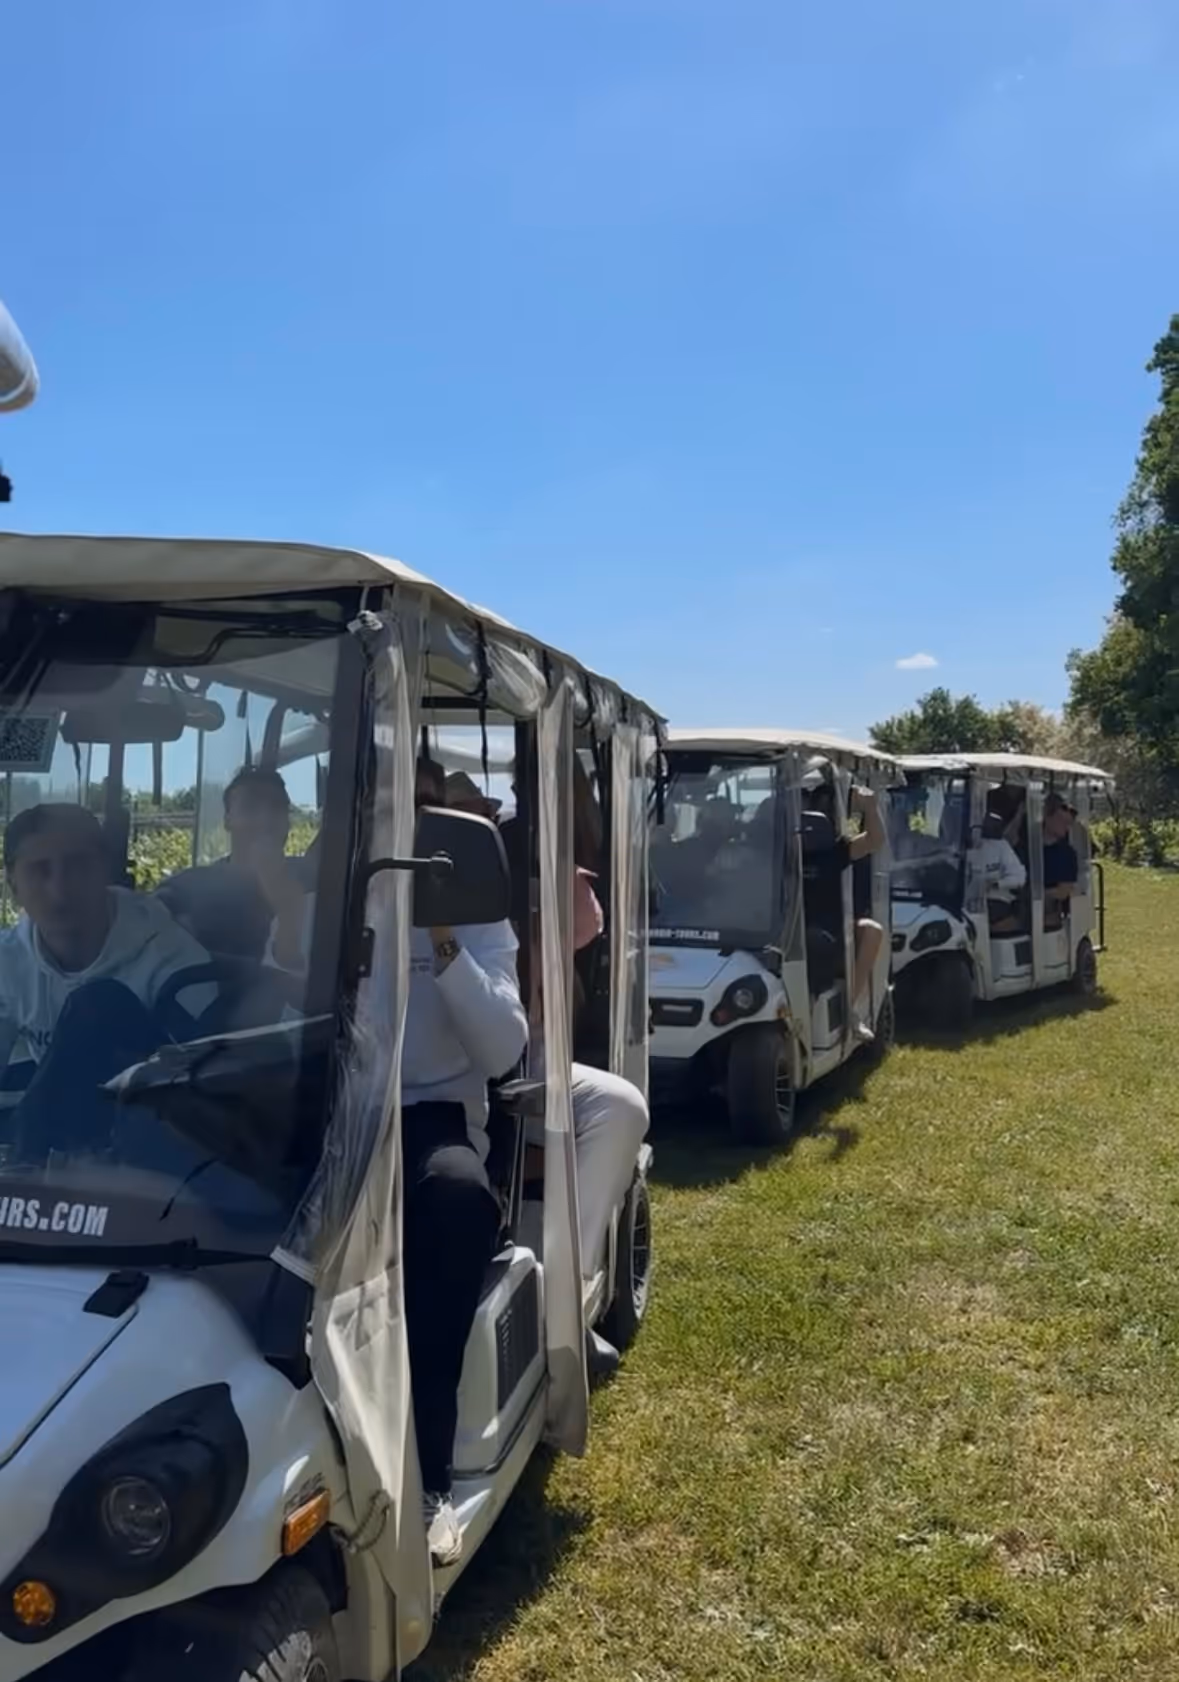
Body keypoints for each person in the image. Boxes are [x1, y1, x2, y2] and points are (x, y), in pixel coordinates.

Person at [0, 804, 214, 1156]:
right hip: (63, 1143)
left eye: (77, 866)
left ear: (105, 870)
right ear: (13, 885)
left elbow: (210, 1087)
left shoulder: (171, 959)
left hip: (158, 1144)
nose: (59, 889)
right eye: (40, 870)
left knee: (98, 1004)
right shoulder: (9, 960)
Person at [158, 767, 309, 963]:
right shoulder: (185, 890)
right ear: (227, 820)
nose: (266, 820)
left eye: (277, 808)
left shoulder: (319, 885)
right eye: (250, 807)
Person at [800, 762, 886, 1042]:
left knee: (871, 931)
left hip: (829, 931)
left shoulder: (834, 850)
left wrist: (870, 807)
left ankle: (849, 1010)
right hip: (787, 930)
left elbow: (875, 840)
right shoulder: (782, 849)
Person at [1043, 792, 1080, 929]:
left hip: (1048, 911)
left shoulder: (1067, 854)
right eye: (1062, 821)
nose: (1067, 827)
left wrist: (1033, 895)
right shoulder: (1028, 845)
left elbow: (1062, 892)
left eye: (1068, 823)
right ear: (1047, 816)